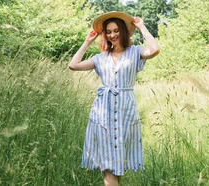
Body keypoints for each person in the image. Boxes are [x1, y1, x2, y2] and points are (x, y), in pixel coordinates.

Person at [68, 11, 160, 186]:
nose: (112, 35)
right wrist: (87, 42)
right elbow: (73, 65)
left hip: (126, 111)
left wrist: (141, 26)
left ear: (123, 31)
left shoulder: (135, 52)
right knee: (109, 164)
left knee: (117, 161)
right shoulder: (100, 58)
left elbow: (154, 50)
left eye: (116, 30)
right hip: (103, 113)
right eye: (108, 32)